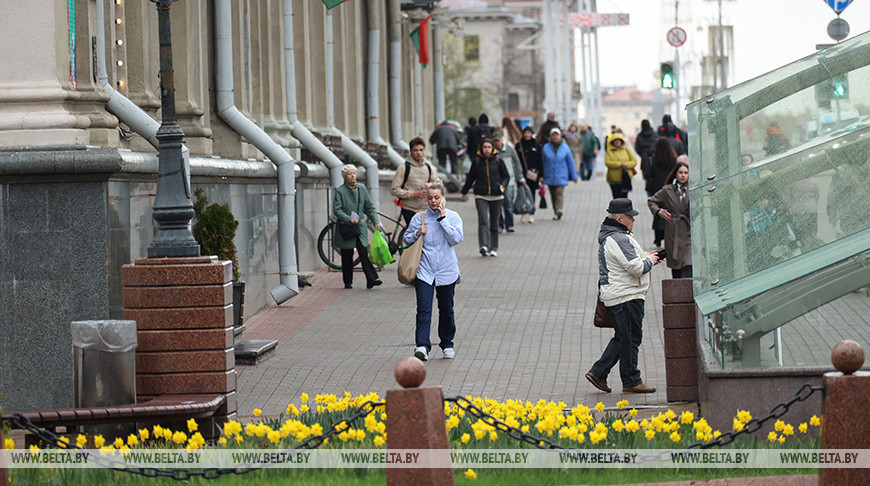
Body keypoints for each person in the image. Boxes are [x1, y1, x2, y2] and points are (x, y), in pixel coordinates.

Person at [585, 198, 661, 394]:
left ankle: (599, 372)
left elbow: (631, 260)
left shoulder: (614, 235)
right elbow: (635, 267)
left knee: (624, 337)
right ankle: (630, 380)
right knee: (630, 338)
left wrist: (647, 258)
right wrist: (650, 261)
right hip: (626, 296)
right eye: (630, 217)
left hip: (621, 295)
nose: (633, 220)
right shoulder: (618, 238)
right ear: (619, 218)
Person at [404, 184, 464, 362]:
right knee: (423, 309)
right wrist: (417, 233)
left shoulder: (453, 217)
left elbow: (456, 239)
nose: (433, 201)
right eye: (430, 198)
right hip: (425, 270)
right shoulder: (419, 218)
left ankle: (447, 344)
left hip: (446, 270)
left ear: (443, 197)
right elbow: (406, 239)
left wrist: (443, 219)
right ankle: (422, 346)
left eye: (437, 197)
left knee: (446, 309)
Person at [333, 165, 383, 290]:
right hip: (347, 226)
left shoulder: (362, 188)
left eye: (354, 173)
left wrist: (376, 220)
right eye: (350, 174)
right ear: (345, 177)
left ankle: (371, 279)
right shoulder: (340, 191)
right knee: (347, 254)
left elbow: (369, 206)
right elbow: (337, 210)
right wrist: (348, 218)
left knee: (363, 252)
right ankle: (348, 281)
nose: (353, 176)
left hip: (360, 225)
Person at [460, 138, 509, 257]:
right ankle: (484, 246)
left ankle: (493, 247)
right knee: (483, 220)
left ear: (493, 149)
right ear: (481, 149)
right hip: (481, 195)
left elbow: (506, 177)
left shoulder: (498, 161)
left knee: (494, 222)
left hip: (496, 196)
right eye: (484, 147)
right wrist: (464, 192)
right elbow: (470, 178)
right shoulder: (477, 162)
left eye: (489, 147)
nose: (487, 150)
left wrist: (501, 187)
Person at [647, 161, 692, 278]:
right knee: (676, 266)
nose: (683, 175)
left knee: (688, 263)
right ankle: (677, 292)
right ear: (675, 174)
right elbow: (651, 201)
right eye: (680, 172)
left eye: (686, 173)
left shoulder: (693, 188)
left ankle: (686, 291)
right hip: (674, 231)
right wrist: (658, 211)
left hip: (689, 229)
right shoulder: (667, 190)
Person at [390, 137, 441, 225]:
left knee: (428, 235)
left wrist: (431, 184)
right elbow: (394, 190)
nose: (418, 153)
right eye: (415, 150)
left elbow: (440, 185)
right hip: (409, 208)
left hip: (427, 208)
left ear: (424, 150)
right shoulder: (404, 168)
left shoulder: (428, 167)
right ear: (410, 151)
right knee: (415, 235)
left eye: (421, 150)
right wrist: (413, 194)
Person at [541, 128, 579, 220]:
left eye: (557, 135)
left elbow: (570, 162)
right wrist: (541, 176)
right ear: (550, 136)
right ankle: (555, 212)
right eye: (553, 135)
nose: (555, 137)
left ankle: (559, 209)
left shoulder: (565, 148)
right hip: (549, 175)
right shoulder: (545, 148)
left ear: (560, 136)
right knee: (553, 194)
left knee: (558, 193)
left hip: (561, 175)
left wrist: (574, 176)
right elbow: (542, 162)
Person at [493, 131, 526, 233]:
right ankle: (500, 225)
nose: (497, 143)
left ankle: (509, 224)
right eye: (495, 141)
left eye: (498, 141)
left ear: (501, 140)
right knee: (497, 204)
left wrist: (520, 177)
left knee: (508, 203)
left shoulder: (509, 150)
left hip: (509, 181)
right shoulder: (492, 152)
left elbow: (516, 163)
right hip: (497, 182)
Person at [647, 137, 678, 246]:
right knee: (669, 210)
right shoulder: (674, 160)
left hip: (657, 188)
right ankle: (667, 234)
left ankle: (658, 237)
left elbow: (648, 174)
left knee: (657, 211)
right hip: (670, 188)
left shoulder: (653, 160)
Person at [517, 126, 542, 223]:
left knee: (532, 194)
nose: (527, 135)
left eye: (529, 133)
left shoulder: (536, 145)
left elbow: (540, 160)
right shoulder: (519, 145)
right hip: (521, 173)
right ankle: (524, 212)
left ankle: (531, 213)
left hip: (533, 174)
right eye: (525, 133)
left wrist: (541, 175)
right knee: (523, 193)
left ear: (532, 134)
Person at [603, 132, 637, 200]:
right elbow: (607, 163)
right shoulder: (609, 151)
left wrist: (626, 165)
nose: (617, 142)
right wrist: (619, 164)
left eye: (618, 140)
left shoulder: (627, 150)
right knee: (616, 197)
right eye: (615, 141)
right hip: (614, 179)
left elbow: (634, 161)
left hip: (625, 178)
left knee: (624, 198)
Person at [634, 119, 659, 195]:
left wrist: (642, 154)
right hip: (655, 159)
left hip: (644, 160)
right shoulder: (655, 135)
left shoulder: (639, 136)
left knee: (647, 177)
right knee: (655, 177)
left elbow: (637, 148)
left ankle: (649, 194)